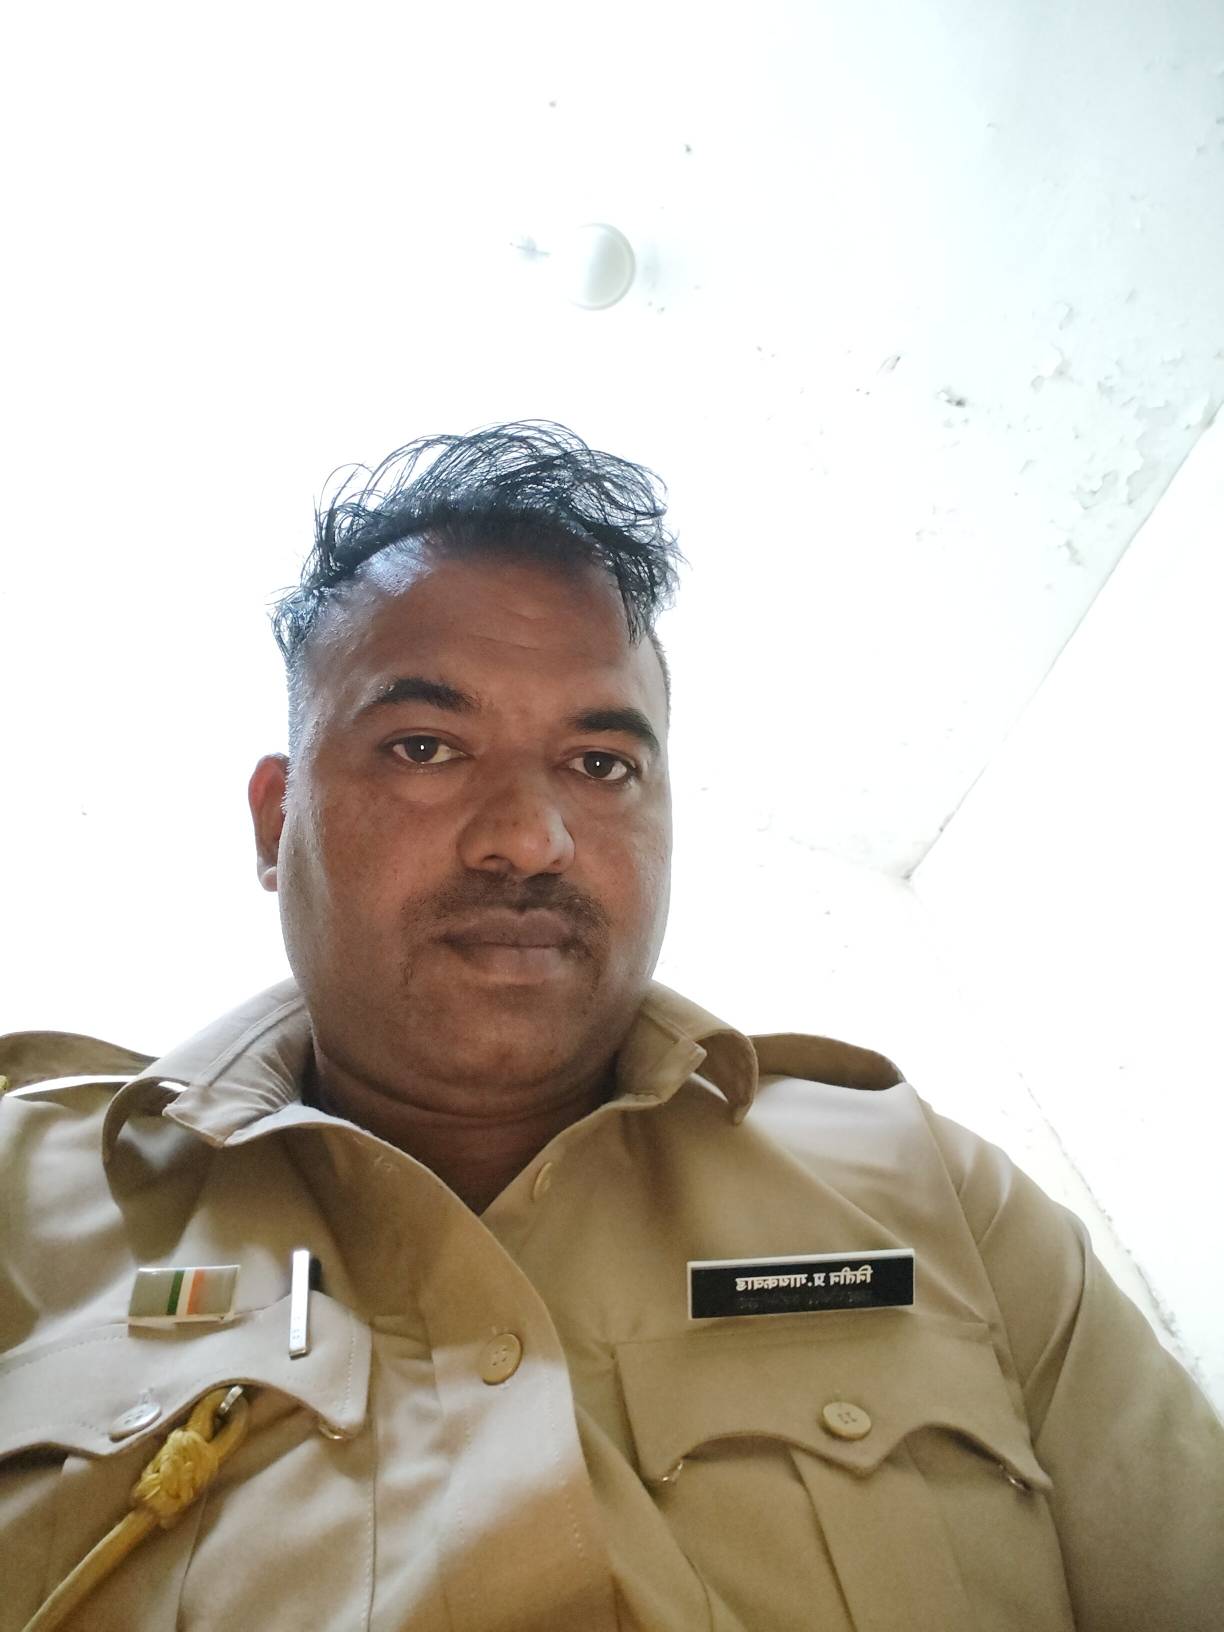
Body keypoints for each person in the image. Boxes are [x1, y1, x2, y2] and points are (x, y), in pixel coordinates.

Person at [1, 422, 1219, 1632]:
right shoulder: (24, 1199)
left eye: (600, 765)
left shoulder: (929, 1191)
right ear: (277, 821)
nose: (529, 839)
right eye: (426, 747)